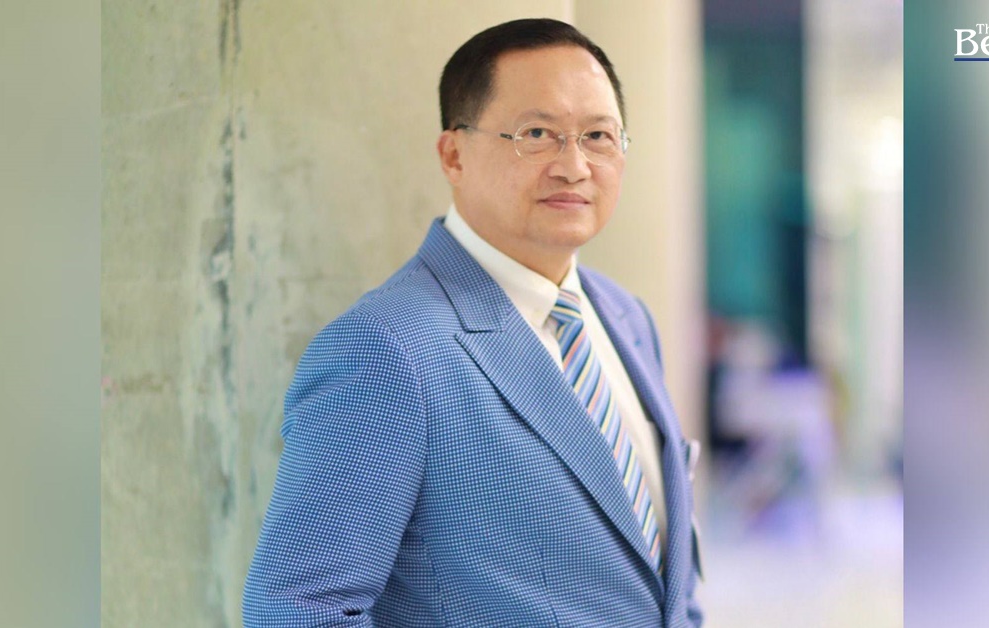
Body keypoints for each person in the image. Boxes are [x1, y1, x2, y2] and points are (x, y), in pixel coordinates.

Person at [242, 18, 704, 627]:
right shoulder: (386, 350)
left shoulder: (626, 317)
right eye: (536, 134)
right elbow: (295, 610)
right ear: (453, 154)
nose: (574, 166)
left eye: (598, 135)